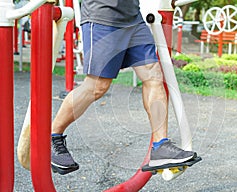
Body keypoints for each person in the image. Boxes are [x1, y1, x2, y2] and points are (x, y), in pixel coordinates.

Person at [51, 0, 197, 175]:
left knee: (153, 75)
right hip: (102, 16)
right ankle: (52, 137)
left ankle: (160, 146)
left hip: (133, 18)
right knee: (97, 86)